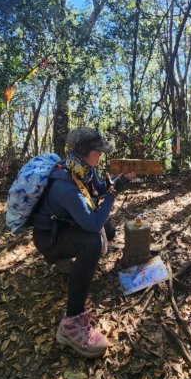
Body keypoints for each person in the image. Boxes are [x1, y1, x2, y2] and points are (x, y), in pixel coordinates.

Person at [32, 127, 132, 358]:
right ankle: (71, 323)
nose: (101, 156)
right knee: (92, 242)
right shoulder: (64, 186)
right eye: (98, 152)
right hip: (50, 238)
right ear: (84, 153)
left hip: (65, 226)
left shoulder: (83, 170)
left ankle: (70, 263)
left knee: (108, 229)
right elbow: (92, 221)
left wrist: (115, 183)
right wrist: (112, 196)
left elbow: (97, 189)